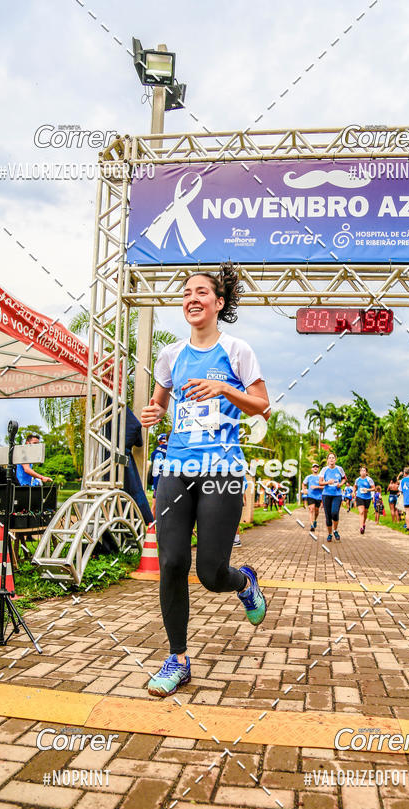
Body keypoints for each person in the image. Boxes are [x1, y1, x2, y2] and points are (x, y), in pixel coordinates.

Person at [140, 263, 270, 698]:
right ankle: (177, 658)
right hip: (176, 468)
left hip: (222, 471)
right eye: (186, 292)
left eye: (201, 292)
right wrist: (154, 414)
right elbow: (158, 405)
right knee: (172, 562)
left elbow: (262, 407)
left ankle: (244, 582)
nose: (191, 298)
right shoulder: (170, 355)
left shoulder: (237, 350)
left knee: (211, 573)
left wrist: (224, 391)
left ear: (218, 303)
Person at [319, 452, 347, 542]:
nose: (331, 459)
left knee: (334, 513)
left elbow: (344, 479)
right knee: (328, 516)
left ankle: (335, 530)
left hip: (337, 494)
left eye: (333, 458)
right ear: (327, 460)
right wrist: (328, 482)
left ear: (335, 459)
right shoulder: (324, 470)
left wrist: (341, 484)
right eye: (329, 458)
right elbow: (320, 482)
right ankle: (330, 534)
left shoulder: (339, 469)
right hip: (326, 494)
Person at [149, 433, 169, 517]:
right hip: (169, 481)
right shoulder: (172, 450)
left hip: (157, 481)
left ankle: (151, 527)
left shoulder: (154, 452)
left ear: (159, 441)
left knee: (154, 505)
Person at [354, 465, 374, 534]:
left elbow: (374, 488)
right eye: (361, 470)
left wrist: (367, 489)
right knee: (361, 512)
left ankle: (364, 523)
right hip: (359, 497)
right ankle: (361, 527)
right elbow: (355, 487)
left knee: (365, 512)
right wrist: (353, 492)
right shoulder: (357, 480)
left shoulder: (369, 479)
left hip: (367, 498)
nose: (363, 472)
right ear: (360, 472)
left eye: (364, 471)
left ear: (366, 472)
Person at [303, 463, 322, 532]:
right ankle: (311, 525)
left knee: (316, 511)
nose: (315, 468)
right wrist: (304, 490)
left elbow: (324, 486)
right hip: (310, 496)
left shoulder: (321, 477)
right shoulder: (308, 477)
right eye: (314, 467)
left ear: (318, 469)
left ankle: (314, 520)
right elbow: (304, 483)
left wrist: (317, 487)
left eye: (317, 467)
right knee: (311, 509)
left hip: (319, 496)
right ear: (312, 469)